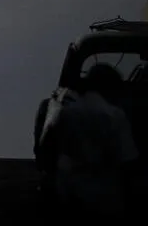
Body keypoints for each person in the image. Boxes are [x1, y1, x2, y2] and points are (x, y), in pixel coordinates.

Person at [52, 63, 138, 221]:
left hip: (69, 190)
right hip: (105, 196)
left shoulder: (66, 113)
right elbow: (127, 160)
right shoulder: (114, 115)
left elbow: (54, 150)